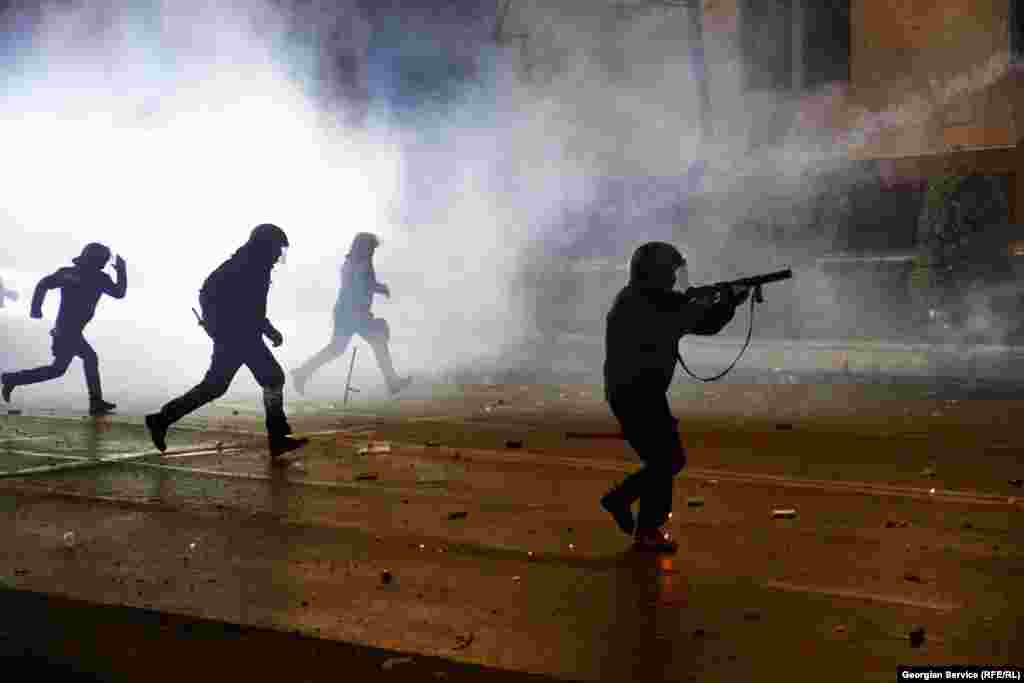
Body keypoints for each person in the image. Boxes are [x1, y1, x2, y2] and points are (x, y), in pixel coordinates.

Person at [600, 242, 750, 553]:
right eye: (671, 273)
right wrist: (726, 302)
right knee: (667, 460)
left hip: (638, 393)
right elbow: (699, 320)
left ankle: (632, 510)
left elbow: (697, 319)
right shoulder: (644, 305)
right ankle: (636, 516)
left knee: (664, 460)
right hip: (636, 394)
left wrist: (726, 302)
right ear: (658, 274)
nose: (674, 280)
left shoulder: (638, 299)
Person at [145, 224, 308, 460]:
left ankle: (161, 419)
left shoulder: (252, 264)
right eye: (275, 249)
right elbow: (220, 296)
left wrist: (260, 329)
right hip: (239, 335)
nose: (277, 256)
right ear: (265, 245)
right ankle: (278, 438)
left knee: (216, 386)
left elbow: (249, 306)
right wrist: (232, 328)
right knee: (272, 378)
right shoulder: (247, 266)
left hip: (240, 335)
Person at [1, 243, 126, 416]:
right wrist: (121, 271)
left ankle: (12, 379)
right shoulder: (91, 277)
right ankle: (95, 402)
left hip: (68, 330)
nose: (103, 264)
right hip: (67, 331)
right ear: (97, 261)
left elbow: (43, 284)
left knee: (58, 369)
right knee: (88, 358)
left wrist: (36, 309)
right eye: (102, 260)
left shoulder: (77, 275)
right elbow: (119, 292)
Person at [291, 232, 411, 397]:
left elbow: (360, 284)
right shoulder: (362, 263)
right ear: (365, 247)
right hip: (354, 313)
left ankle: (302, 373)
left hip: (347, 312)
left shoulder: (350, 262)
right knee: (376, 342)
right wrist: (382, 289)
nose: (373, 252)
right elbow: (365, 284)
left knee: (340, 348)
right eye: (372, 248)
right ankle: (392, 382)